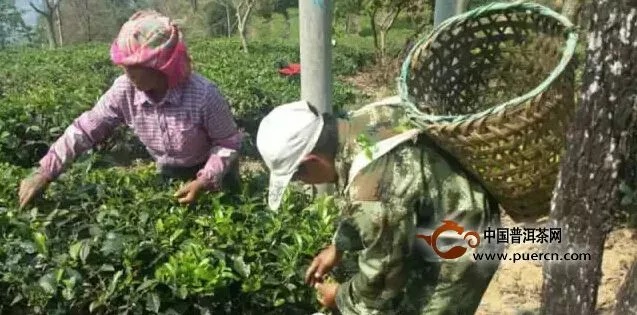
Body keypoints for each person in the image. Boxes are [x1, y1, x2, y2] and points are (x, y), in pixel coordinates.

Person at [256, 99, 503, 314]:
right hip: (448, 204)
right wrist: (338, 246)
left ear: (312, 161)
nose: (304, 183)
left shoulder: (371, 193)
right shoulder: (360, 121)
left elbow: (381, 282)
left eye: (298, 177)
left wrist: (339, 298)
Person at [18, 10, 242, 209]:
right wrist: (44, 173)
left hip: (216, 172)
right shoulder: (124, 90)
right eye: (125, 66)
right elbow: (84, 130)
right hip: (170, 170)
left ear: (160, 64)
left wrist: (204, 181)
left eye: (135, 67)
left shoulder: (203, 94)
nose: (128, 73)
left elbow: (227, 143)